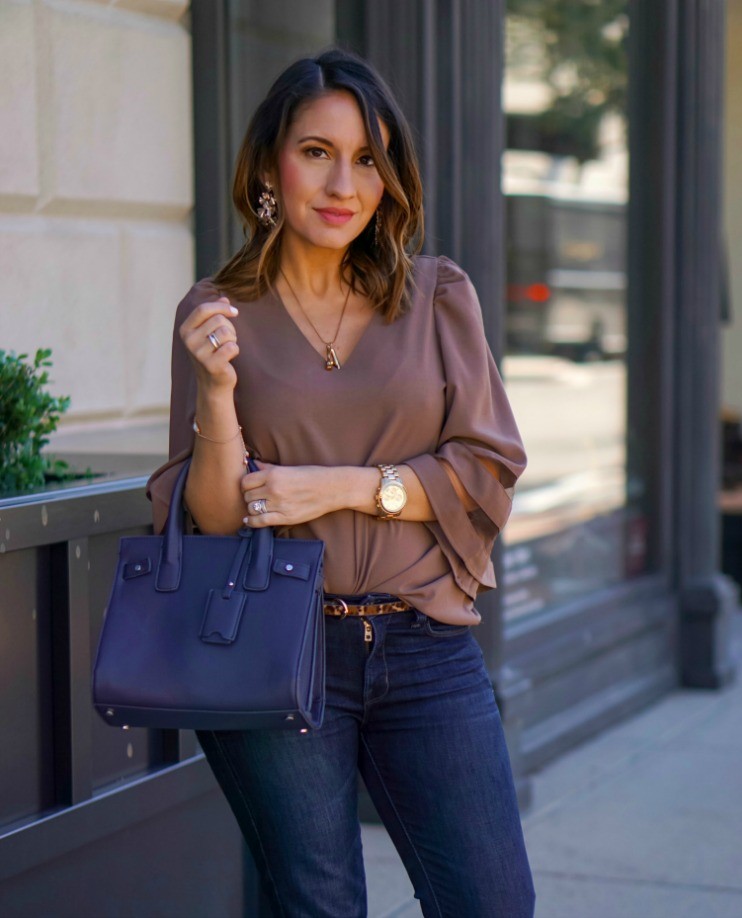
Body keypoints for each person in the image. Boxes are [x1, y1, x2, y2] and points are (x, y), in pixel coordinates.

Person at [146, 47, 535, 918]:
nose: (342, 182)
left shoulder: (437, 297)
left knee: (493, 902)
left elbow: (489, 465)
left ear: (390, 178)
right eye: (317, 150)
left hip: (425, 645)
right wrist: (216, 393)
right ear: (269, 167)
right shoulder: (215, 312)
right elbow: (210, 517)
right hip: (280, 647)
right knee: (318, 905)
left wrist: (343, 487)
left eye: (367, 158)